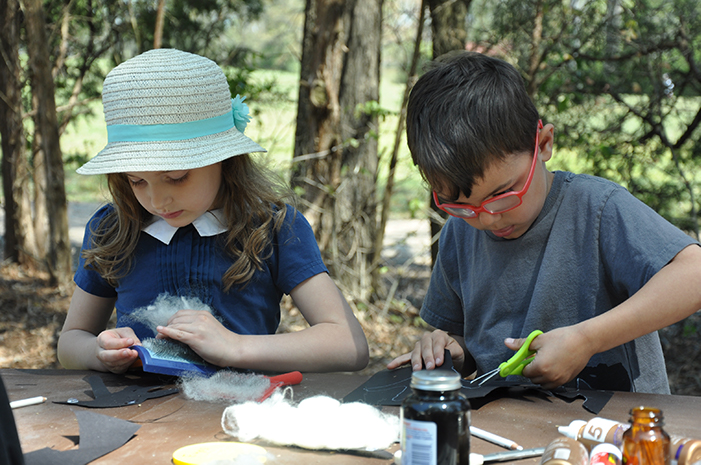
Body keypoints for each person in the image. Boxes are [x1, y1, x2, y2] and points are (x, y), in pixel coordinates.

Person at [387, 51, 701, 393]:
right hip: (511, 433)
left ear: (544, 144)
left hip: (614, 432)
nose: (488, 218)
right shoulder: (459, 234)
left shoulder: (596, 209)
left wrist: (587, 339)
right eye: (462, 206)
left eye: (504, 194)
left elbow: (694, 273)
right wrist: (451, 352)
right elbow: (468, 343)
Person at [57, 48, 369, 375]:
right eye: (136, 181)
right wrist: (97, 352)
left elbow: (348, 345)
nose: (157, 201)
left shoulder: (274, 227)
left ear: (223, 158)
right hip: (135, 418)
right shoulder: (114, 227)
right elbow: (70, 342)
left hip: (240, 416)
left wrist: (235, 346)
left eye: (176, 177)